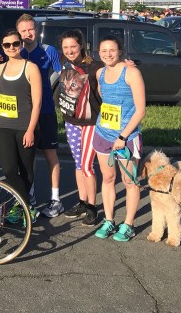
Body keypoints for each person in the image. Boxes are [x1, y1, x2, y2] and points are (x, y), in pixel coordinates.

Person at [93, 35, 146, 242]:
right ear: (99, 53)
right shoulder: (100, 73)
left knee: (129, 181)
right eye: (104, 51)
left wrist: (123, 136)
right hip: (102, 134)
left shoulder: (131, 72)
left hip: (127, 137)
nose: (108, 54)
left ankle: (129, 224)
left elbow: (140, 110)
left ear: (120, 51)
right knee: (107, 179)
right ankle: (109, 220)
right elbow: (103, 99)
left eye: (112, 50)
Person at [16, 14, 64, 217]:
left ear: (36, 30)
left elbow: (63, 74)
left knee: (50, 154)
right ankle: (30, 198)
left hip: (45, 111)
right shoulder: (14, 52)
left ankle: (55, 200)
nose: (28, 33)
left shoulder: (48, 50)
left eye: (31, 29)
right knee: (27, 157)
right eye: (23, 31)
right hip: (22, 114)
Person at [0, 30, 42, 224]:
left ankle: (19, 207)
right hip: (4, 125)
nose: (12, 48)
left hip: (25, 126)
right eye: (7, 45)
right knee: (8, 169)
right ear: (3, 47)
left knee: (26, 169)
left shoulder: (31, 68)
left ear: (21, 44)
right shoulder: (0, 69)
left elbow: (37, 102)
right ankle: (27, 206)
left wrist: (31, 129)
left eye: (15, 44)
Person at [56, 30, 101, 226]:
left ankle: (92, 206)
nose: (69, 50)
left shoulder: (94, 66)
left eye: (73, 46)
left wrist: (128, 63)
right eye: (66, 47)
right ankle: (82, 201)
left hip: (90, 123)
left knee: (87, 165)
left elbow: (115, 68)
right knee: (78, 164)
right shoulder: (64, 63)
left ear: (81, 45)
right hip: (71, 121)